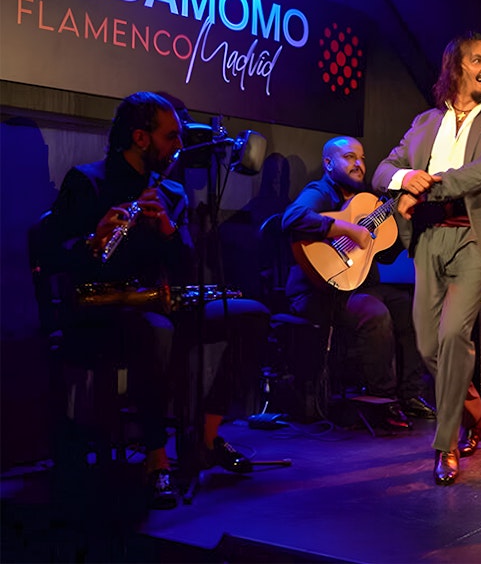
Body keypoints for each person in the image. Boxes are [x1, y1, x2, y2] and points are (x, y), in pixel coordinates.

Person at [44, 91, 268, 510]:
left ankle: (205, 436)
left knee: (250, 315)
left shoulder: (171, 193)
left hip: (155, 299)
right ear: (140, 138)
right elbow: (50, 253)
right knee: (155, 333)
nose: (179, 147)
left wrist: (166, 229)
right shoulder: (86, 181)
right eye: (171, 137)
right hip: (100, 309)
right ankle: (156, 458)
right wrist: (95, 240)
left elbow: (184, 264)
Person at [373, 31, 481, 485]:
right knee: (426, 345)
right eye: (480, 59)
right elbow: (383, 169)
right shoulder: (424, 123)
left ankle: (445, 447)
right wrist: (405, 176)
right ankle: (470, 404)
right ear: (455, 67)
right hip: (427, 238)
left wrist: (427, 185)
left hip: (473, 237)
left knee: (455, 335)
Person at [281, 136, 435, 430]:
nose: (359, 165)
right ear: (328, 163)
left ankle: (411, 394)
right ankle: (383, 401)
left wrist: (400, 223)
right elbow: (292, 218)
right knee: (374, 313)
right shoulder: (320, 192)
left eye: (362, 158)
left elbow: (385, 254)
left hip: (357, 284)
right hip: (318, 291)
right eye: (350, 157)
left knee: (409, 307)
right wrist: (347, 229)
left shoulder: (368, 202)